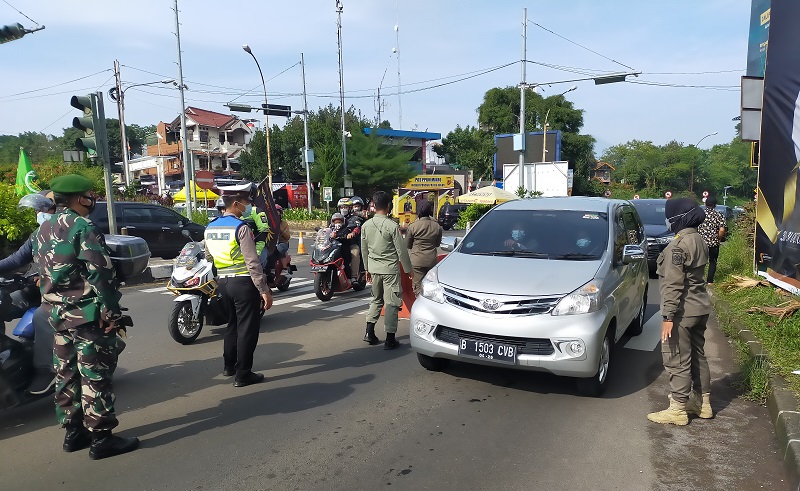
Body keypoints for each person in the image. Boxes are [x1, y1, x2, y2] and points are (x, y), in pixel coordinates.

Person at [31, 174, 138, 459]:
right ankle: (102, 438)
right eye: (90, 194)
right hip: (87, 315)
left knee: (66, 373)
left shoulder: (43, 228)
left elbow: (39, 270)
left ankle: (73, 432)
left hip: (56, 315)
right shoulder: (82, 226)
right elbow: (100, 273)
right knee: (94, 374)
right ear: (80, 198)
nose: (93, 198)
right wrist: (112, 312)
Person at [647, 198, 714, 426]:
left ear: (679, 217)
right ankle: (703, 404)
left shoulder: (678, 246)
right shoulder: (698, 239)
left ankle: (677, 409)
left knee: (677, 358)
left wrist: (668, 317)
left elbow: (674, 284)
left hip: (682, 311)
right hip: (700, 307)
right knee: (697, 356)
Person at [205, 190, 273, 387]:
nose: (248, 206)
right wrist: (264, 289)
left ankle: (229, 366)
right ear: (235, 204)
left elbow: (209, 257)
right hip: (243, 283)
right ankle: (244, 373)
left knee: (233, 324)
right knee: (247, 328)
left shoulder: (209, 227)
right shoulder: (241, 228)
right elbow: (252, 261)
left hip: (223, 284)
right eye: (246, 203)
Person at [361, 191, 413, 349]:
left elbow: (364, 250)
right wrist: (408, 269)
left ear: (374, 206)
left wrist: (366, 269)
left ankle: (369, 332)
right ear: (389, 206)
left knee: (376, 300)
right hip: (390, 270)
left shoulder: (365, 225)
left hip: (374, 269)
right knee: (391, 303)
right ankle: (390, 339)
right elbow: (401, 251)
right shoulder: (392, 226)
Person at [405, 200, 443, 296]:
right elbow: (438, 244)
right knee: (430, 287)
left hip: (417, 261)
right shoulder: (437, 226)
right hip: (431, 260)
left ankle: (420, 305)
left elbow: (408, 245)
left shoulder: (413, 226)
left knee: (418, 287)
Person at [697, 196, 726, 284]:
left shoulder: (700, 214)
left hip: (701, 242)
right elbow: (722, 230)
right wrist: (718, 237)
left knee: (700, 261)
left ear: (705, 204)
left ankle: (698, 279)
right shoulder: (719, 215)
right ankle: (710, 281)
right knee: (712, 261)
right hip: (713, 243)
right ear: (715, 205)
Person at [336, 197, 362, 282]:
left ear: (350, 208)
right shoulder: (335, 218)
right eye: (342, 207)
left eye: (346, 207)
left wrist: (353, 233)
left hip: (350, 243)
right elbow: (329, 228)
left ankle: (354, 276)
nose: (343, 209)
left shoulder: (354, 218)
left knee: (355, 252)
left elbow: (357, 227)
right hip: (337, 243)